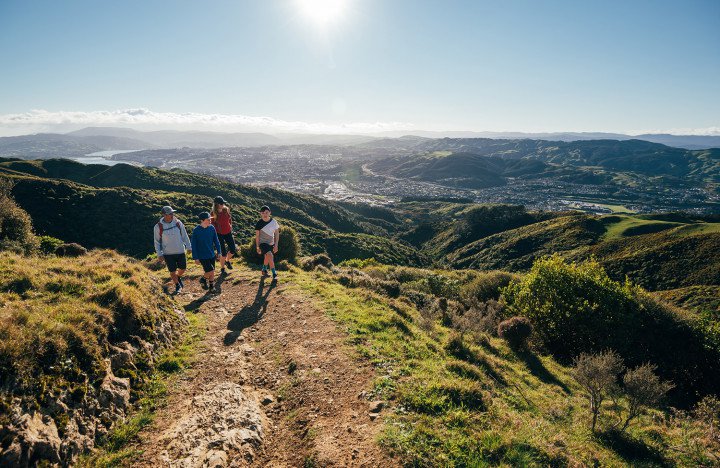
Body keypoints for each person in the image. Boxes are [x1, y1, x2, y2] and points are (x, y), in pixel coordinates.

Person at [153, 205, 191, 294]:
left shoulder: (178, 223)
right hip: (168, 253)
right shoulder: (158, 227)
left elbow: (184, 235)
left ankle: (178, 277)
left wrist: (189, 247)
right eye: (170, 213)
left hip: (180, 251)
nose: (172, 214)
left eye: (172, 213)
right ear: (164, 215)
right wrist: (159, 254)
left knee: (183, 268)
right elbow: (157, 241)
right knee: (172, 271)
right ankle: (177, 285)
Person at [191, 211, 222, 292]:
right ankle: (203, 279)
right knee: (210, 270)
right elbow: (193, 245)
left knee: (212, 271)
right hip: (202, 256)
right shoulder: (196, 230)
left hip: (211, 254)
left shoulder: (212, 228)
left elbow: (216, 241)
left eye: (210, 219)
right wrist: (195, 258)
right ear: (202, 220)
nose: (210, 220)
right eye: (208, 219)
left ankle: (211, 287)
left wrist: (219, 252)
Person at [211, 196, 236, 275]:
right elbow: (212, 224)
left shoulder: (226, 209)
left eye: (223, 203)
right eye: (221, 203)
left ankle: (227, 261)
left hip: (228, 232)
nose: (223, 205)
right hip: (219, 234)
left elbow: (229, 218)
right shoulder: (213, 213)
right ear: (216, 204)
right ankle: (222, 268)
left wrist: (230, 225)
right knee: (223, 252)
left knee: (233, 249)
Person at [255, 205, 280, 280]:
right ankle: (274, 273)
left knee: (267, 256)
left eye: (266, 212)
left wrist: (276, 245)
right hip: (262, 243)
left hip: (271, 243)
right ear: (260, 214)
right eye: (263, 213)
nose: (265, 214)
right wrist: (257, 247)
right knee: (270, 255)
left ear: (270, 212)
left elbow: (277, 234)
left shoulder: (274, 222)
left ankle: (264, 269)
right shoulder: (259, 223)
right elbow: (257, 236)